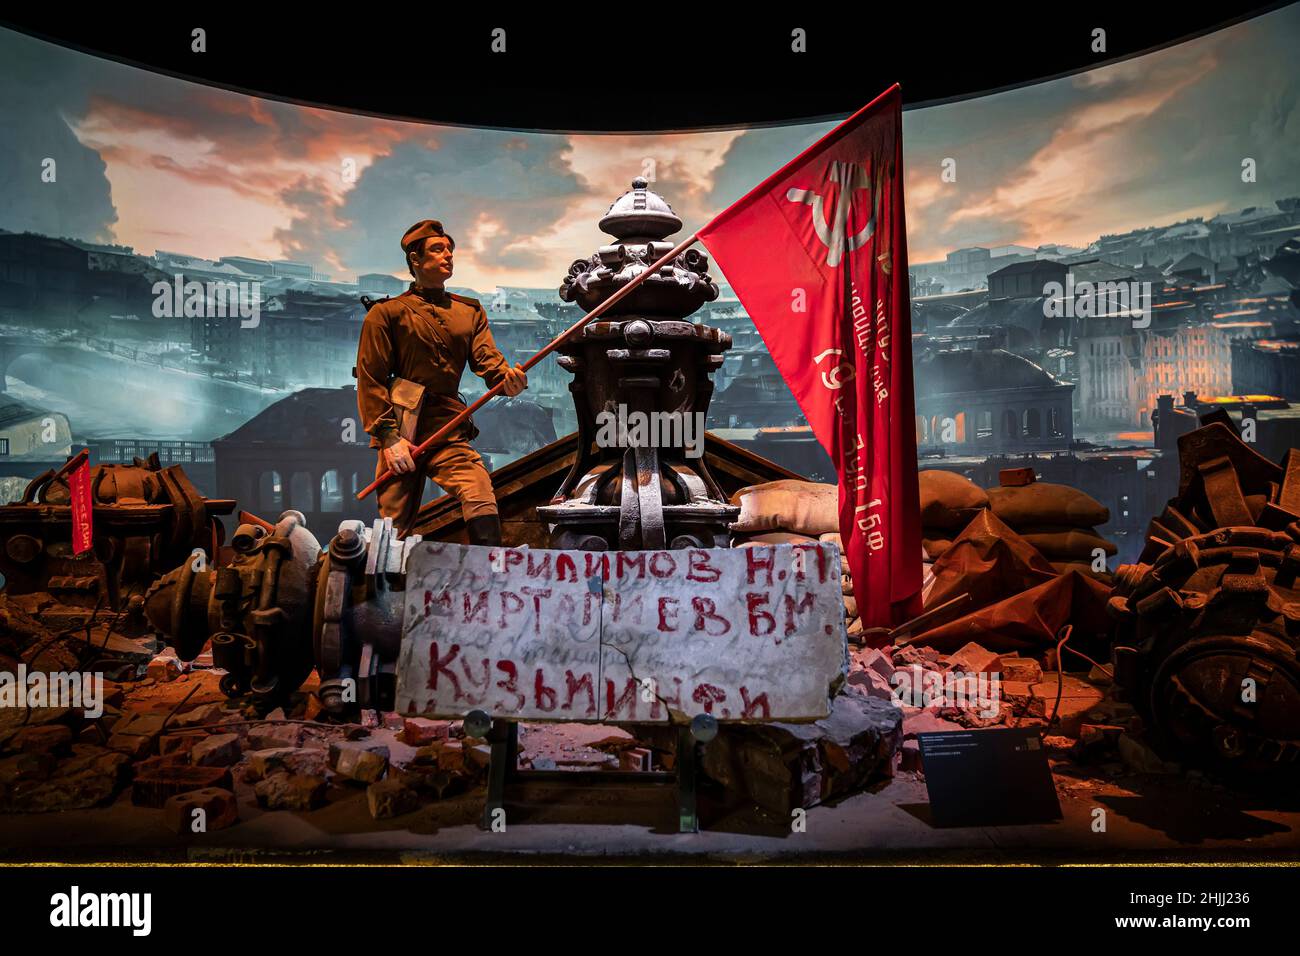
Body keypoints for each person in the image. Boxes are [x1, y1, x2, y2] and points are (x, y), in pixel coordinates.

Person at [355, 219, 527, 542]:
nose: (448, 255)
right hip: (402, 430)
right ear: (415, 260)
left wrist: (507, 380)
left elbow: (489, 363)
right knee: (393, 531)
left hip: (447, 428)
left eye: (450, 249)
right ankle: (390, 589)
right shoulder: (386, 314)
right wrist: (389, 439)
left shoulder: (469, 312)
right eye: (437, 249)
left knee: (480, 496)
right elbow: (371, 379)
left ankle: (489, 579)